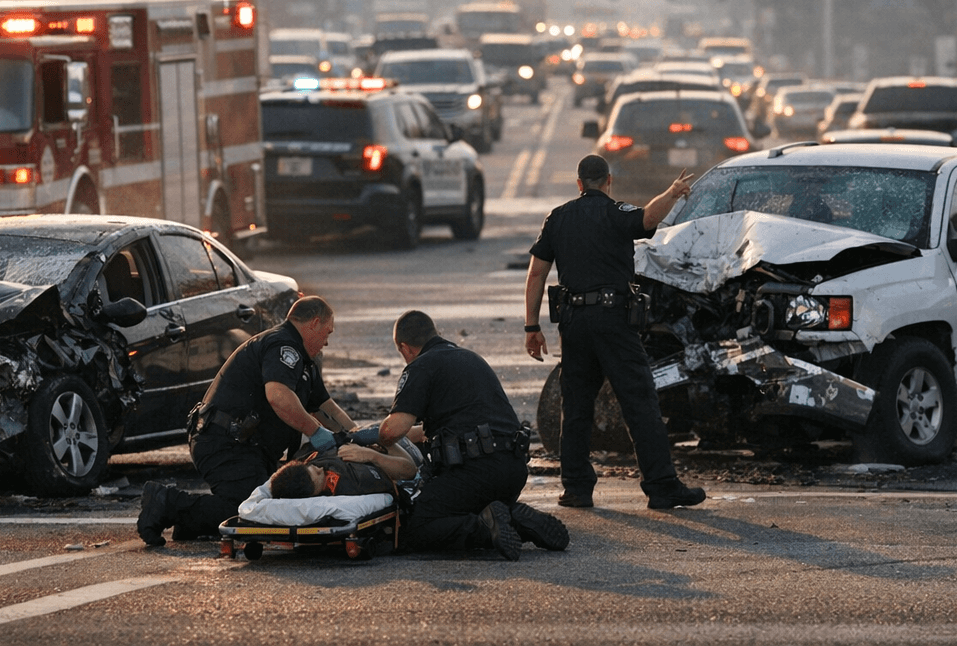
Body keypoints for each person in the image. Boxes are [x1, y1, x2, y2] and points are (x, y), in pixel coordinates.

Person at [524, 153, 706, 511]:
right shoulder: (615, 212)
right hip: (613, 323)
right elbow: (649, 217)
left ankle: (576, 489)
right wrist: (672, 191)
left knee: (575, 407)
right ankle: (661, 486)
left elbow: (536, 274)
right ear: (609, 181)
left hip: (574, 324)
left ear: (578, 184)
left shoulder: (557, 218)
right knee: (639, 402)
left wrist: (532, 326)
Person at [136, 294, 356, 546]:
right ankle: (166, 502)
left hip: (246, 449)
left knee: (271, 507)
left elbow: (327, 408)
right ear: (314, 323)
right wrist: (316, 432)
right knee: (251, 512)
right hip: (226, 443)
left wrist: (356, 435)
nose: (327, 342)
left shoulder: (305, 363)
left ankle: (191, 521)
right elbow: (278, 396)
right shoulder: (283, 346)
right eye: (327, 332)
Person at [360, 309, 569, 560]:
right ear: (434, 333)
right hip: (512, 471)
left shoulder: (420, 366)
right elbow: (429, 431)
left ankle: (491, 526)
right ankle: (507, 514)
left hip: (476, 473)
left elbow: (392, 431)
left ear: (405, 348)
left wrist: (368, 440)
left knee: (417, 526)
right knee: (464, 502)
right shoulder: (469, 358)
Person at [268, 440, 419, 499]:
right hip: (395, 451)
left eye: (312, 467)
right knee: (395, 434)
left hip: (357, 442)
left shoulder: (306, 460)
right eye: (316, 473)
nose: (320, 468)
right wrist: (373, 454)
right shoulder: (354, 484)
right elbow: (410, 470)